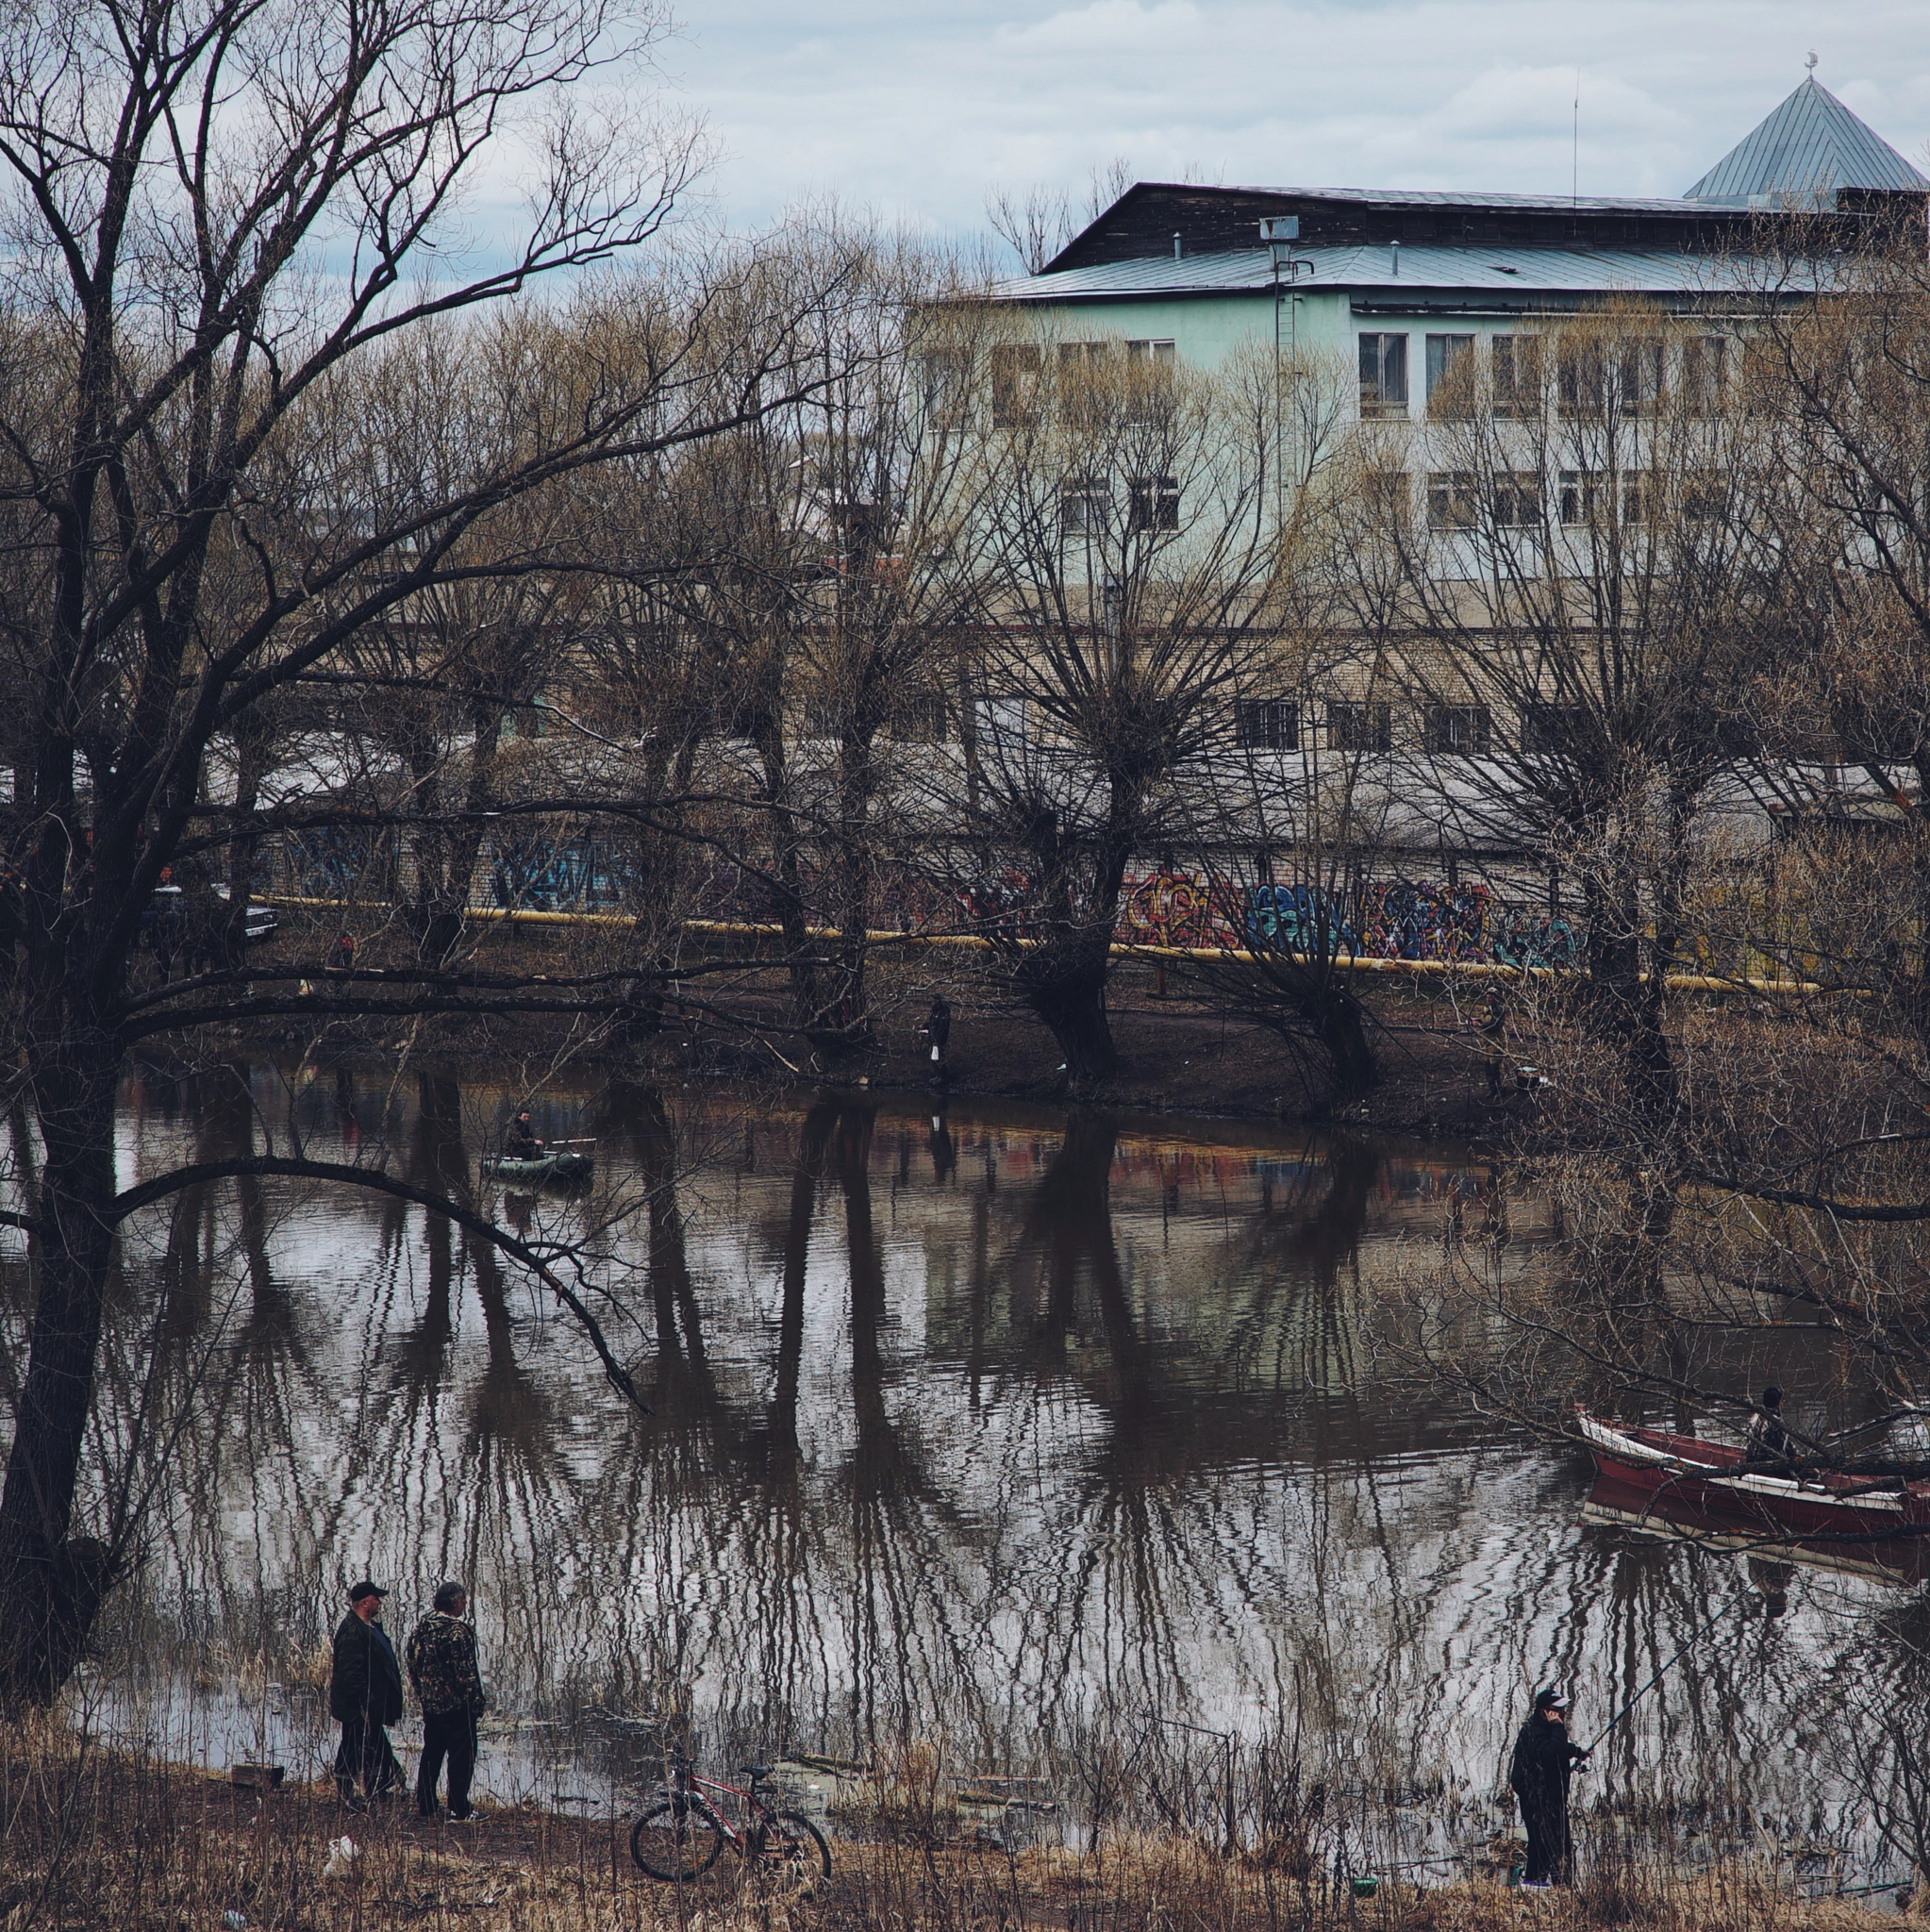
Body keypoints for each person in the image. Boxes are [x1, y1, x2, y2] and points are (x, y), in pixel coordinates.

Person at [406, 1581, 487, 1822]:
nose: (465, 1603)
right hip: (457, 1706)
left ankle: (426, 1803)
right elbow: (466, 1672)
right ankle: (460, 1808)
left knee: (432, 1753)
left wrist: (423, 1695)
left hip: (432, 1706)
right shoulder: (458, 1631)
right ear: (454, 1602)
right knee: (462, 1756)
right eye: (463, 1599)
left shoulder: (421, 1628)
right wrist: (476, 1702)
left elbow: (412, 1664)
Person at [329, 1581, 405, 1808]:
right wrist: (365, 1701)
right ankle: (345, 1795)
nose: (379, 1602)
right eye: (376, 1598)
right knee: (352, 1748)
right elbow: (351, 1672)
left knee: (376, 1746)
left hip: (374, 1703)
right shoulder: (352, 1630)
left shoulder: (370, 1627)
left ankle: (378, 1790)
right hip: (358, 1706)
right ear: (364, 1602)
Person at [1509, 1687, 1588, 1888]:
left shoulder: (1545, 1731)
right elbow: (1551, 1753)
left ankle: (1563, 1886)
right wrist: (1558, 1727)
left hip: (1553, 1799)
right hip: (1536, 1800)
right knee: (1541, 1845)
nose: (1563, 1713)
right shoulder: (1533, 1731)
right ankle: (1534, 1884)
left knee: (1562, 1846)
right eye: (1558, 1709)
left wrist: (1576, 1751)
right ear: (1546, 1711)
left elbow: (1558, 1748)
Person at [1744, 1385, 1791, 1463]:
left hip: (1750, 1459)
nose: (1783, 1404)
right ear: (1778, 1404)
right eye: (1782, 1401)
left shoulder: (1755, 1417)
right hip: (1768, 1462)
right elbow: (1786, 1447)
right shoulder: (1776, 1422)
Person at [1475, 989, 1507, 1098]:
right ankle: (1492, 1089)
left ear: (1496, 997)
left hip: (1496, 1042)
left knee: (1496, 1067)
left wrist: (1480, 1025)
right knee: (1487, 1067)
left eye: (1491, 997)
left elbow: (1495, 1025)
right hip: (1486, 1042)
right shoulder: (1486, 1009)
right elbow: (1484, 1021)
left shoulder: (1499, 1009)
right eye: (1487, 997)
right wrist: (1476, 1021)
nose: (1489, 999)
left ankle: (1501, 1090)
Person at [919, 994, 952, 1078]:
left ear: (937, 1000)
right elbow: (932, 1022)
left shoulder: (943, 1011)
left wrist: (937, 1040)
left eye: (933, 1000)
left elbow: (942, 1028)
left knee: (939, 1059)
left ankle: (943, 1077)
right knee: (934, 1058)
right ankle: (938, 1075)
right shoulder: (935, 1010)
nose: (931, 1002)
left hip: (939, 1040)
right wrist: (924, 1026)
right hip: (933, 1038)